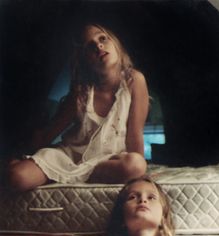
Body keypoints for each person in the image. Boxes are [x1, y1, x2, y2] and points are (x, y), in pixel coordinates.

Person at [8, 23, 148, 191]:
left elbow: (135, 136)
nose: (98, 45)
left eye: (102, 38)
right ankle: (64, 174)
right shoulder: (82, 91)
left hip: (107, 162)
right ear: (85, 59)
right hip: (70, 159)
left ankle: (76, 177)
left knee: (136, 165)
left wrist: (140, 177)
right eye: (90, 46)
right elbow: (48, 134)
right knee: (18, 176)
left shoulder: (134, 80)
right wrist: (22, 157)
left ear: (116, 43)